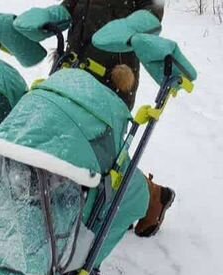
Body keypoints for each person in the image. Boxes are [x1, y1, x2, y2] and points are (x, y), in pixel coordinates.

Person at [59, 0, 176, 237]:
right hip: (73, 70)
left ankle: (151, 196)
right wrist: (50, 17)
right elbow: (68, 7)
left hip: (113, 79)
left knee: (103, 153)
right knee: (63, 138)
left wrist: (128, 26)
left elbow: (152, 15)